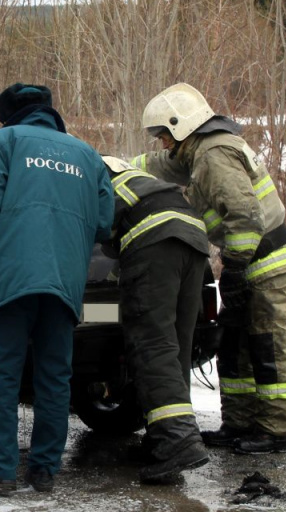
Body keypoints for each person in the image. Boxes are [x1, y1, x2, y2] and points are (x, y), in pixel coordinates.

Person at [133, 83, 286, 454]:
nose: (162, 143)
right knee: (235, 345)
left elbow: (245, 216)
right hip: (249, 261)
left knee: (266, 345)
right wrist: (115, 165)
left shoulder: (214, 154)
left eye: (164, 134)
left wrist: (237, 267)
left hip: (266, 262)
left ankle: (277, 428)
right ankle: (240, 422)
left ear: (181, 127)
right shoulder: (198, 152)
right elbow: (163, 166)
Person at [0, 83, 114, 493]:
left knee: (3, 376)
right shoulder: (87, 154)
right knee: (54, 378)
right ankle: (44, 471)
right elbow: (104, 222)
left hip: (10, 279)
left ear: (8, 115)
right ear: (49, 111)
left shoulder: (1, 143)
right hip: (64, 281)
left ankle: (1, 473)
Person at [100, 156, 211, 482]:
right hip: (193, 236)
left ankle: (178, 442)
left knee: (152, 343)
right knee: (175, 342)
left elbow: (88, 232)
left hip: (155, 238)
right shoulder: (131, 178)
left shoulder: (84, 178)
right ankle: (166, 438)